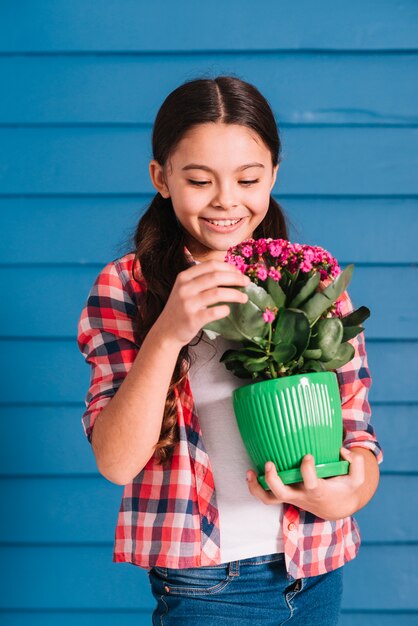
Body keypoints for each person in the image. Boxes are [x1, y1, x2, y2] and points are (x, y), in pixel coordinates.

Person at [77, 75, 383, 625]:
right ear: (162, 178)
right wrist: (169, 331)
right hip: (208, 588)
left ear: (273, 176)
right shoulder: (127, 287)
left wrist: (344, 496)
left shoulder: (311, 279)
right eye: (199, 180)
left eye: (248, 178)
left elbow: (359, 440)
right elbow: (116, 462)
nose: (226, 201)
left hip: (317, 569)